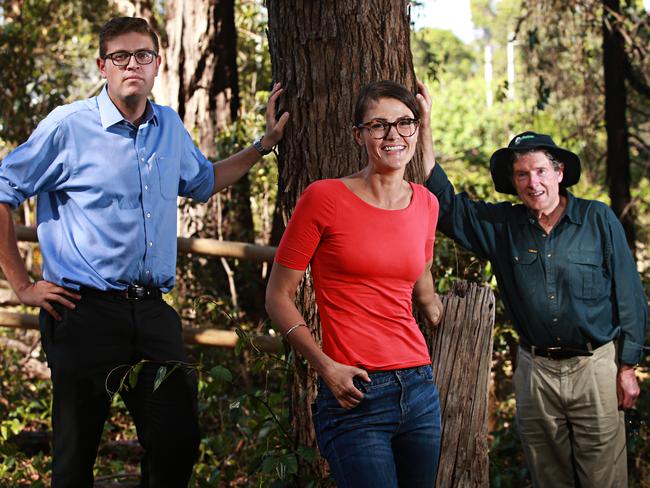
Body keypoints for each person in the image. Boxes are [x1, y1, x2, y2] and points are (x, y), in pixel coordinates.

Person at [0, 16, 288, 487]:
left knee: (178, 442)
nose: (132, 64)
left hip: (152, 314)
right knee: (75, 460)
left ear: (157, 65)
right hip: (82, 312)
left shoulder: (169, 127)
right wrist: (22, 285)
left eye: (143, 56)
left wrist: (265, 144)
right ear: (102, 66)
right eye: (120, 57)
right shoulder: (68, 127)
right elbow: (3, 190)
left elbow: (204, 181)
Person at [423, 130, 648, 487]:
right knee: (548, 479)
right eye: (522, 174)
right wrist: (424, 126)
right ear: (513, 182)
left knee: (604, 480)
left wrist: (628, 366)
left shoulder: (598, 220)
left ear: (559, 172)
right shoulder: (503, 227)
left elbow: (631, 296)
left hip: (595, 369)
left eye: (541, 171)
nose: (533, 182)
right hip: (535, 372)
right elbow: (447, 208)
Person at [265, 80, 443, 487]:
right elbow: (277, 297)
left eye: (405, 123)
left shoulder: (426, 204)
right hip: (355, 391)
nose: (393, 135)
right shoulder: (324, 197)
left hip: (418, 387)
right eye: (378, 125)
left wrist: (432, 305)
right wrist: (325, 368)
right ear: (358, 135)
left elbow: (420, 269)